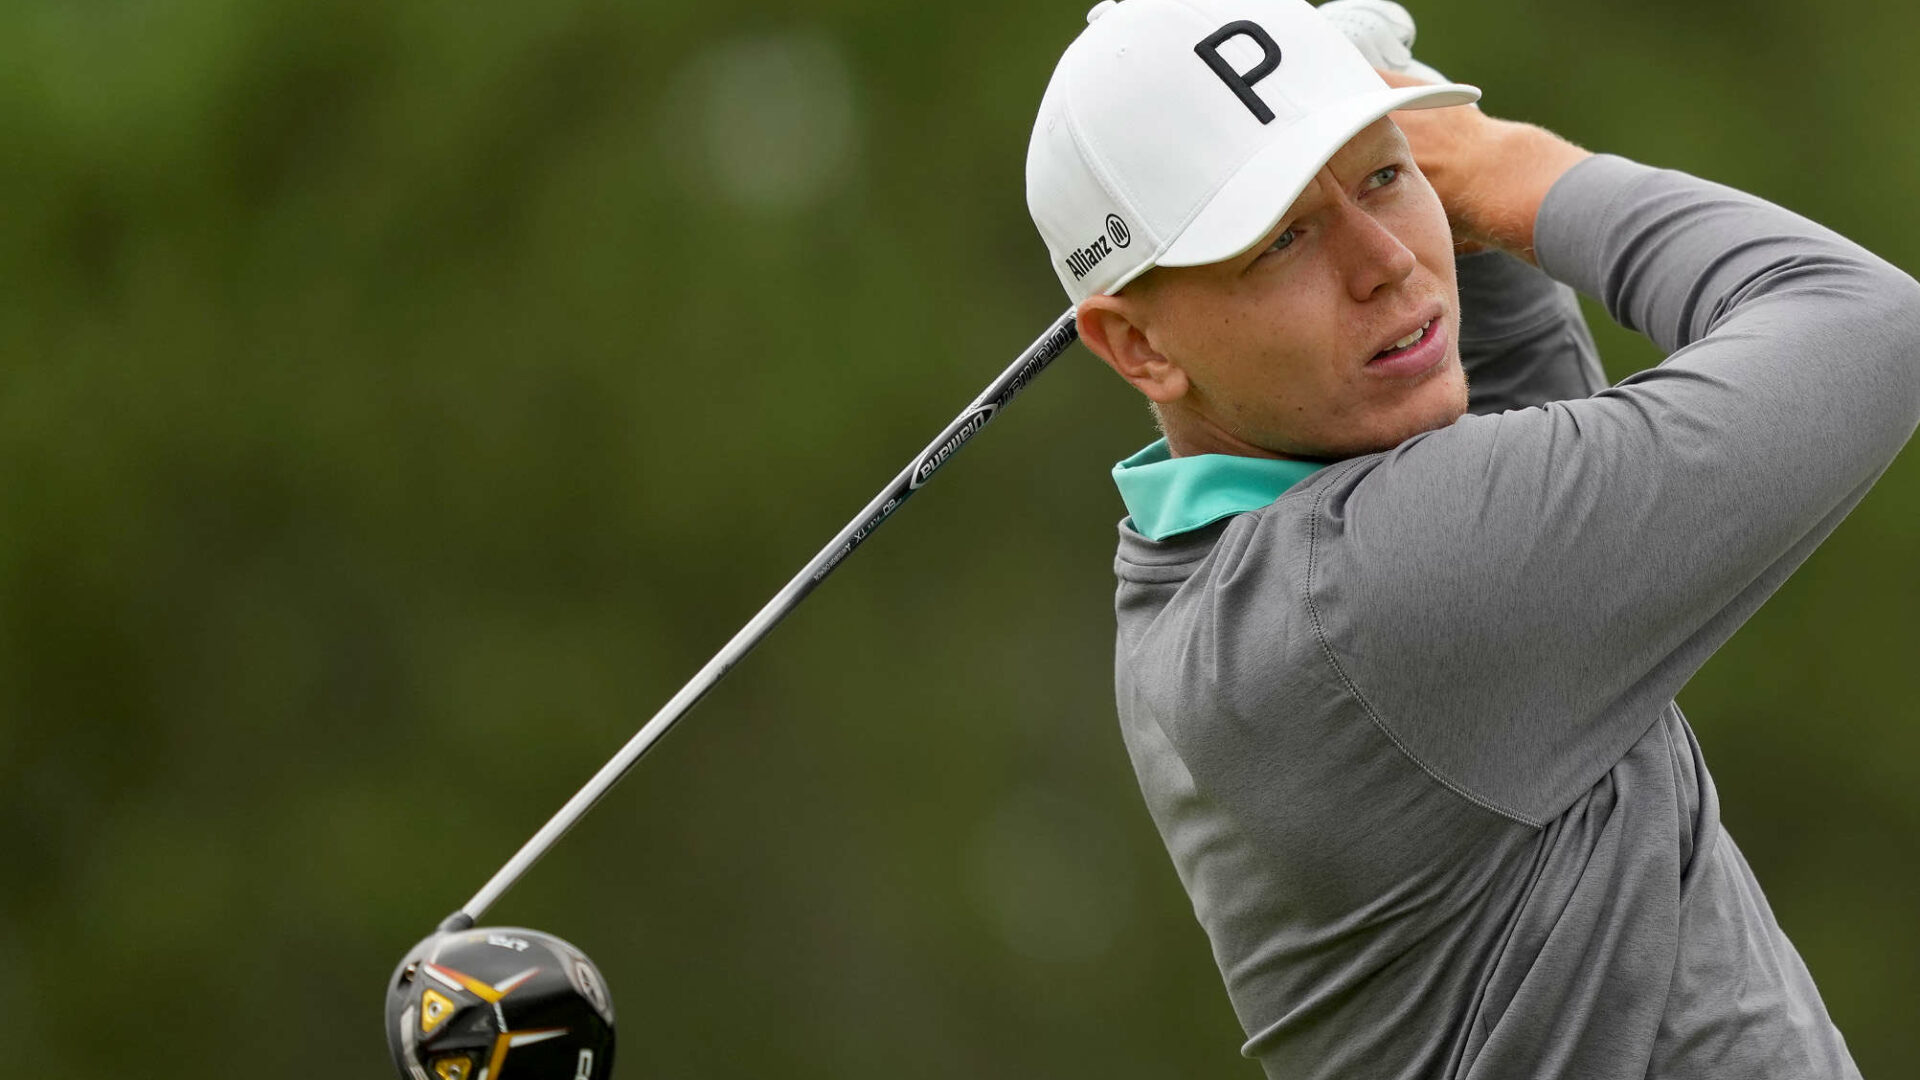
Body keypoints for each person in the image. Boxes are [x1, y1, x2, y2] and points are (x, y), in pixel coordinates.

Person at [1022, 0, 1919, 1076]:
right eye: (1283, 240)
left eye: (1384, 179)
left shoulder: (1204, 572)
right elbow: (1865, 327)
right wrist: (1503, 161)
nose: (1386, 264)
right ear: (1136, 346)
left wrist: (1355, 104)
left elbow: (1494, 375)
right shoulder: (1371, 595)